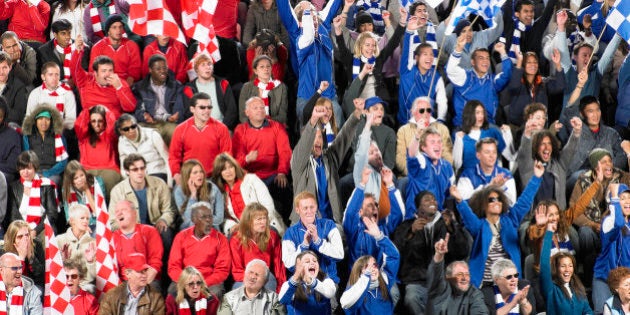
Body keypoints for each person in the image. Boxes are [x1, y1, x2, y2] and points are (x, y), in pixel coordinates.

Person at [450, 161, 544, 288]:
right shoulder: (479, 226)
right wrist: (459, 200)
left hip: (510, 283)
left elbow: (524, 201)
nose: (496, 202)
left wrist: (536, 178)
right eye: (491, 200)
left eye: (499, 199)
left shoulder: (511, 220)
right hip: (485, 284)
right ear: (484, 204)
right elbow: (468, 216)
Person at [392, 191, 469, 314]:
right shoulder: (406, 226)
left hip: (442, 280)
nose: (433, 201)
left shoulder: (446, 223)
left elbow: (463, 252)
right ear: (418, 207)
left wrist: (452, 229)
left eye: (434, 199)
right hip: (416, 281)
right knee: (411, 298)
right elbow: (395, 253)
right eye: (427, 199)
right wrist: (410, 232)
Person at [290, 99, 363, 224]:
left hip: (331, 223)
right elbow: (304, 143)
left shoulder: (329, 158)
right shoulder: (299, 163)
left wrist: (357, 113)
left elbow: (343, 138)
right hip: (305, 225)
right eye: (313, 138)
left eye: (319, 137)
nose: (317, 141)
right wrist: (313, 119)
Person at [277, 0, 344, 128]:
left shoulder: (322, 26)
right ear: (300, 21)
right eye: (308, 15)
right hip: (306, 92)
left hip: (328, 93)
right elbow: (284, 8)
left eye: (315, 15)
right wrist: (307, 11)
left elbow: (333, 5)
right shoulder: (297, 32)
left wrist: (310, 13)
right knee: (309, 132)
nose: (313, 18)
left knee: (337, 123)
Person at [233, 96, 292, 217]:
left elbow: (285, 152)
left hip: (273, 175)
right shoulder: (240, 130)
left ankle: (288, 223)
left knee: (285, 189)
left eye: (262, 107)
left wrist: (282, 172)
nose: (260, 110)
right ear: (247, 112)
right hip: (250, 177)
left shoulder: (276, 127)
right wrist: (247, 159)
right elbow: (236, 160)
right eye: (255, 108)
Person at [211, 153, 285, 235]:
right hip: (242, 231)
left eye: (231, 167)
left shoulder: (251, 180)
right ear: (219, 173)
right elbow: (223, 218)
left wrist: (252, 225)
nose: (229, 171)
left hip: (265, 224)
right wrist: (233, 226)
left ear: (235, 167)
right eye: (224, 169)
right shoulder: (220, 193)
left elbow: (269, 207)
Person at [343, 167, 403, 265]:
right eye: (370, 205)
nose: (375, 208)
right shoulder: (354, 230)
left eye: (376, 205)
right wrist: (362, 184)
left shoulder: (384, 227)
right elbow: (350, 213)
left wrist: (389, 185)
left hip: (380, 276)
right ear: (360, 212)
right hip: (358, 277)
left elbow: (398, 215)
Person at [169, 92, 232, 187]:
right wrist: (177, 176)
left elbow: (227, 156)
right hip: (189, 177)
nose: (207, 111)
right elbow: (174, 157)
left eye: (209, 107)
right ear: (192, 109)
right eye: (202, 107)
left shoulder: (221, 128)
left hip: (214, 178)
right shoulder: (181, 129)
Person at [339, 216, 400, 314]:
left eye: (375, 265)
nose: (372, 268)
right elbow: (345, 303)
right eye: (366, 266)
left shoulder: (384, 281)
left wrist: (379, 237)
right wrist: (366, 277)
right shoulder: (354, 291)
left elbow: (393, 256)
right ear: (359, 272)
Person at [169, 202, 231, 296]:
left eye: (210, 217)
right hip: (186, 280)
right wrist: (187, 282)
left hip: (209, 282)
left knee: (216, 292)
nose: (208, 221)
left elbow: (222, 270)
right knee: (173, 291)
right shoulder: (181, 237)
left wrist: (202, 284)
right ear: (194, 219)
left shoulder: (221, 239)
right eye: (204, 217)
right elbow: (173, 267)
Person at [282, 191, 344, 285]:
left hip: (327, 282)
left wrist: (318, 241)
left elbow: (339, 255)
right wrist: (304, 245)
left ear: (316, 207)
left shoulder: (329, 224)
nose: (309, 211)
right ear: (297, 210)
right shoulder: (290, 233)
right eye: (305, 208)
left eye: (312, 207)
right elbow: (289, 265)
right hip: (303, 285)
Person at [447, 39, 511, 127]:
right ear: (473, 62)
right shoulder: (465, 77)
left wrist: (502, 52)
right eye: (481, 58)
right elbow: (451, 70)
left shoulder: (493, 80)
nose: (485, 61)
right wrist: (458, 49)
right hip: (465, 126)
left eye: (487, 58)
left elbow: (507, 74)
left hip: (488, 126)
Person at [70, 35, 136, 118]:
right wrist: (77, 51)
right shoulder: (86, 80)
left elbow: (131, 107)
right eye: (104, 71)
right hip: (90, 122)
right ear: (95, 73)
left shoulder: (119, 83)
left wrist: (119, 88)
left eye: (110, 70)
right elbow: (75, 69)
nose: (108, 74)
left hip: (113, 123)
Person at [229, 203, 286, 292]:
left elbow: (278, 267)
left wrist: (280, 289)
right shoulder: (236, 240)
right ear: (248, 222)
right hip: (245, 278)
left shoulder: (272, 236)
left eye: (265, 218)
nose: (263, 222)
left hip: (266, 277)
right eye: (259, 219)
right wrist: (254, 279)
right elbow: (237, 270)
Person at [426, 234, 488, 314]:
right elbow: (436, 276)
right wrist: (439, 255)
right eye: (459, 274)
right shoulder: (440, 289)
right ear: (448, 277)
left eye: (467, 274)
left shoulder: (474, 293)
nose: (464, 278)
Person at [540, 219, 592, 314]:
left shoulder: (578, 287)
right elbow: (544, 265)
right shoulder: (550, 289)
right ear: (556, 268)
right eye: (563, 266)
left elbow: (587, 310)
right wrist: (549, 233)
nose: (567, 270)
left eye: (570, 266)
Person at [132, 54, 186, 145]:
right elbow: (137, 109)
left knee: (176, 132)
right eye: (158, 69)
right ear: (150, 70)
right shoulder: (140, 87)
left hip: (168, 122)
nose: (162, 71)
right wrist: (144, 116)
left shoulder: (176, 86)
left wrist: (175, 117)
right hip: (148, 122)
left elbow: (179, 107)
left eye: (164, 68)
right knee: (137, 132)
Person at [592, 184, 630, 313]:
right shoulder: (608, 222)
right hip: (604, 279)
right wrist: (614, 196)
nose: (627, 201)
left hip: (625, 282)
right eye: (622, 198)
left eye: (629, 198)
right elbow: (618, 223)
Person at [6, 151, 60, 237]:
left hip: (43, 228)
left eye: (29, 168)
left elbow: (52, 214)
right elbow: (13, 215)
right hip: (20, 229)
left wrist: (35, 231)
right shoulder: (13, 187)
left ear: (35, 168)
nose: (25, 172)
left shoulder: (47, 185)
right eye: (22, 169)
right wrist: (24, 231)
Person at [506, 49, 565, 127]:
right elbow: (514, 87)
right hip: (519, 126)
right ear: (523, 64)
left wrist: (557, 64)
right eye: (529, 62)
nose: (533, 65)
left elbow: (560, 87)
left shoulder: (543, 83)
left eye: (535, 62)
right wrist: (519, 61)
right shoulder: (517, 81)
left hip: (540, 126)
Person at [111, 200, 163, 286]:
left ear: (134, 213)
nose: (119, 213)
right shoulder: (112, 237)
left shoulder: (149, 231)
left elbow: (155, 260)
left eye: (124, 210)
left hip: (147, 279)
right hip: (124, 282)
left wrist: (144, 280)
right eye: (117, 211)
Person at [452, 100, 513, 173]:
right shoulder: (462, 137)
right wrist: (458, 142)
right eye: (477, 113)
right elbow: (457, 165)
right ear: (469, 114)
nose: (481, 116)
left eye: (482, 113)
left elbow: (509, 156)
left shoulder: (492, 132)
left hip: (492, 177)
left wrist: (508, 134)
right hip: (471, 178)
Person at [406, 127, 455, 213]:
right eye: (432, 142)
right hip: (417, 217)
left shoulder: (447, 166)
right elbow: (411, 154)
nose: (437, 145)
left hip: (436, 215)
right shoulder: (422, 161)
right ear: (423, 147)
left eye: (439, 141)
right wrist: (417, 137)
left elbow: (450, 194)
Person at [74, 105, 121, 194]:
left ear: (105, 121)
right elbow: (79, 125)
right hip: (88, 169)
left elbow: (112, 125)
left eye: (100, 121)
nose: (97, 124)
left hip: (108, 170)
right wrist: (87, 111)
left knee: (110, 179)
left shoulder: (109, 136)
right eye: (93, 121)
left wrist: (106, 110)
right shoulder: (83, 136)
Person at [183, 54, 238, 130]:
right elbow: (189, 114)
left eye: (209, 64)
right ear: (196, 70)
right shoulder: (189, 89)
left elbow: (231, 110)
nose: (207, 67)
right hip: (200, 129)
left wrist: (223, 128)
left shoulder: (223, 84)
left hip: (223, 127)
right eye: (203, 65)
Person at [99, 253, 166, 315]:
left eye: (145, 270)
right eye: (139, 271)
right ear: (127, 274)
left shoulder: (156, 298)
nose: (144, 275)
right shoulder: (112, 295)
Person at [457, 138, 516, 205]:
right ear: (478, 155)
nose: (492, 156)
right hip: (475, 215)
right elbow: (462, 201)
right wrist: (489, 187)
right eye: (487, 152)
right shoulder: (467, 174)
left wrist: (502, 187)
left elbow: (511, 203)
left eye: (494, 152)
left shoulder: (506, 175)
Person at [20, 105, 69, 186]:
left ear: (51, 121)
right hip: (33, 171)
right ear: (35, 120)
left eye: (47, 119)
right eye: (40, 119)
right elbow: (26, 158)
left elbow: (63, 162)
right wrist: (33, 173)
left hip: (52, 173)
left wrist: (47, 173)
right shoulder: (28, 136)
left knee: (49, 184)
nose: (44, 122)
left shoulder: (58, 137)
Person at [217, 259, 286, 315]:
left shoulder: (275, 300)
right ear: (244, 274)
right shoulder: (228, 298)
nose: (253, 277)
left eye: (257, 275)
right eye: (250, 272)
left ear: (265, 281)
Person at [116, 114, 171, 183]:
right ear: (121, 131)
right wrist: (128, 179)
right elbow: (123, 167)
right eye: (126, 129)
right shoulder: (122, 141)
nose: (131, 130)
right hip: (136, 177)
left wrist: (169, 184)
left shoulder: (152, 135)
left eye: (133, 127)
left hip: (157, 172)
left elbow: (168, 159)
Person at [89, 14, 141, 85]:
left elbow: (135, 69)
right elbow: (93, 71)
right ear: (108, 31)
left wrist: (126, 86)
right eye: (114, 27)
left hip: (125, 84)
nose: (118, 30)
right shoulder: (98, 47)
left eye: (120, 27)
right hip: (105, 83)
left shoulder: (131, 45)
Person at [173, 159, 224, 230]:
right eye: (195, 173)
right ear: (187, 176)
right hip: (189, 228)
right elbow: (187, 218)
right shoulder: (179, 191)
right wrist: (193, 195)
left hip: (211, 226)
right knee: (192, 223)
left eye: (201, 172)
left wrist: (203, 220)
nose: (199, 175)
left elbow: (219, 218)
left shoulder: (213, 188)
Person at [38, 19, 91, 86]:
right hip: (54, 87)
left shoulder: (80, 46)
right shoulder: (44, 51)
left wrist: (73, 81)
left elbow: (84, 70)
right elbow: (43, 76)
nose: (68, 37)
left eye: (69, 33)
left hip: (78, 86)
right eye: (63, 33)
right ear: (55, 35)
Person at [56, 204, 97, 292]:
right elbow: (54, 272)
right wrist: (63, 260)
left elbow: (93, 277)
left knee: (91, 288)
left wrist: (90, 262)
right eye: (82, 218)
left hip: (86, 285)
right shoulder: (59, 240)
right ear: (72, 221)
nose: (86, 221)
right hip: (64, 284)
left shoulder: (93, 243)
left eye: (87, 218)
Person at [238, 56, 288, 125]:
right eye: (262, 67)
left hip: (274, 127)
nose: (266, 69)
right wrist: (256, 126)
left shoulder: (281, 87)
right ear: (255, 71)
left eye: (268, 66)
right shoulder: (247, 87)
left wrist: (265, 124)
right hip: (251, 128)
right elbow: (243, 115)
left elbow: (282, 116)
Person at [26, 62, 77, 130]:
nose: (54, 78)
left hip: (62, 131)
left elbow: (71, 120)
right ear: (43, 77)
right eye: (50, 75)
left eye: (57, 75)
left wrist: (54, 127)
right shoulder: (35, 93)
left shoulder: (67, 93)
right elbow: (29, 118)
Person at [61, 160, 106, 232]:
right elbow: (69, 217)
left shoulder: (98, 183)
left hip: (97, 223)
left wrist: (87, 189)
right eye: (76, 178)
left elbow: (100, 213)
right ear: (70, 181)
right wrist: (81, 228)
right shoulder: (66, 189)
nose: (80, 179)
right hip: (78, 226)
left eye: (82, 175)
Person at [0, 51, 28, 126]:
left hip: (7, 125)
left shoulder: (19, 86)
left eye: (4, 67)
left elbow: (19, 115)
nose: (1, 72)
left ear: (10, 67)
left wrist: (2, 113)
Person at [0, 98, 21, 183]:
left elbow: (13, 165)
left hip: (4, 173)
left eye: (0, 116)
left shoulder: (13, 136)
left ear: (4, 117)